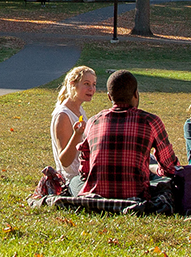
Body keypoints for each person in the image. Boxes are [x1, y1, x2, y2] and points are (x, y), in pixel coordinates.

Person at [76, 70, 178, 199]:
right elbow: (170, 168)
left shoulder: (93, 122)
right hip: (137, 195)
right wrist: (155, 171)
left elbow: (85, 170)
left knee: (75, 182)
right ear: (135, 94)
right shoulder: (150, 121)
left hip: (97, 194)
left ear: (109, 97)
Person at [48, 66, 97, 195]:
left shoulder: (79, 110)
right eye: (86, 84)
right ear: (72, 85)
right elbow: (65, 161)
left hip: (86, 173)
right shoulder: (63, 115)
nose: (91, 89)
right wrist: (77, 135)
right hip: (73, 180)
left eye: (94, 84)